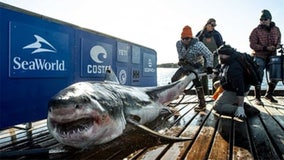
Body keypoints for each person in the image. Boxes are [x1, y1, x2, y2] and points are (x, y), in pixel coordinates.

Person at [171, 25, 213, 112]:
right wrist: (181, 60)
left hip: (196, 66)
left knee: (196, 82)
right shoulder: (178, 44)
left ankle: (202, 104)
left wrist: (209, 68)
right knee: (174, 79)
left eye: (188, 38)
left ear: (191, 38)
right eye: (184, 38)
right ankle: (174, 96)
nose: (186, 40)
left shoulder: (198, 45)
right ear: (181, 38)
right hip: (185, 65)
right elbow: (180, 55)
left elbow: (209, 55)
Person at [213, 45, 260, 119]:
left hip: (238, 89)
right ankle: (233, 102)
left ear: (228, 55)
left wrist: (240, 107)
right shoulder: (229, 59)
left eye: (222, 54)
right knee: (216, 84)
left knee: (217, 106)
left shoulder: (234, 68)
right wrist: (214, 73)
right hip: (230, 84)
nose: (220, 57)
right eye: (219, 54)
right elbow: (221, 68)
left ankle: (242, 108)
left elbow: (240, 88)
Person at [249, 9, 282, 105]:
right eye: (261, 19)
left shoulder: (277, 30)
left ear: (270, 19)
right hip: (259, 56)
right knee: (259, 73)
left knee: (276, 75)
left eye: (265, 19)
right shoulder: (255, 31)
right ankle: (257, 97)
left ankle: (269, 94)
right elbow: (252, 45)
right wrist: (265, 47)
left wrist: (277, 46)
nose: (263, 21)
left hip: (272, 56)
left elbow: (279, 41)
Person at [196, 18, 224, 95]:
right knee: (203, 76)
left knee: (215, 76)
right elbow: (195, 45)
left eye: (215, 25)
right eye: (212, 25)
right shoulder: (200, 34)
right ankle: (204, 94)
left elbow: (221, 47)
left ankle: (215, 95)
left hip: (215, 58)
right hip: (203, 58)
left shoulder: (217, 34)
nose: (213, 27)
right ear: (207, 24)